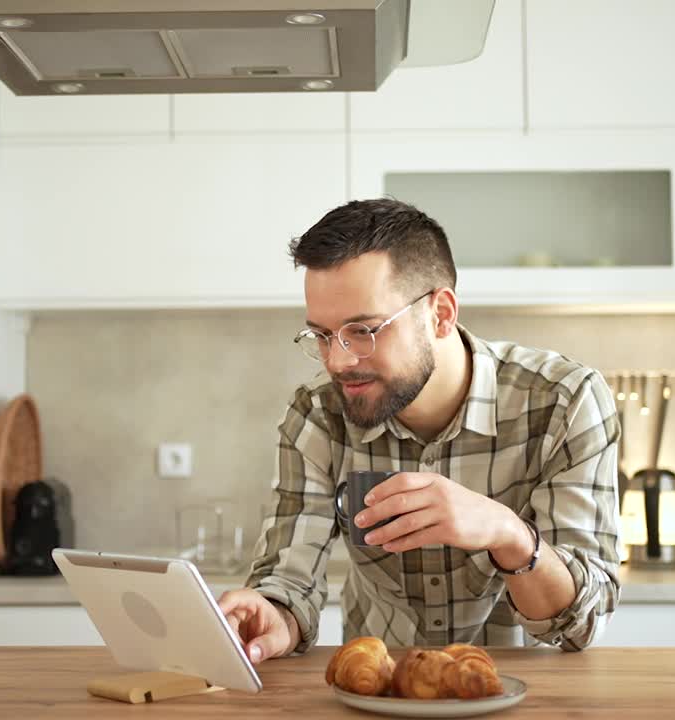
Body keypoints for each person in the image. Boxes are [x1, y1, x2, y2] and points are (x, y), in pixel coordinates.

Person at [218, 199, 621, 663]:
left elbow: (581, 623)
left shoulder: (564, 402)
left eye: (364, 330)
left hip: (525, 694)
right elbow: (288, 580)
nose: (339, 360)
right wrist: (274, 615)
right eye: (323, 336)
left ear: (441, 314)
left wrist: (507, 533)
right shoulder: (318, 413)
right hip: (378, 690)